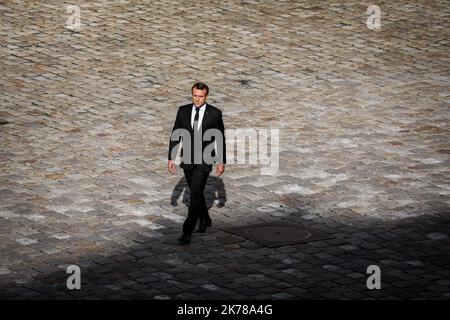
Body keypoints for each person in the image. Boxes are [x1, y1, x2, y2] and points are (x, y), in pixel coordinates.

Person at [168, 82, 226, 245]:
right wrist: (171, 157)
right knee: (197, 191)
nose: (197, 99)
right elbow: (175, 134)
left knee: (194, 195)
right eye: (195, 96)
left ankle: (187, 232)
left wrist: (221, 161)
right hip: (187, 159)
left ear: (206, 96)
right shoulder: (183, 111)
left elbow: (220, 138)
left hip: (205, 160)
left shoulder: (214, 114)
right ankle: (205, 219)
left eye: (201, 96)